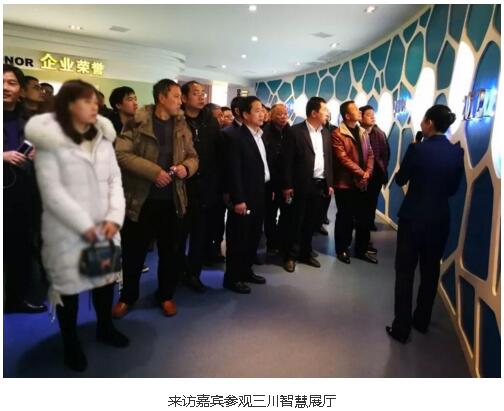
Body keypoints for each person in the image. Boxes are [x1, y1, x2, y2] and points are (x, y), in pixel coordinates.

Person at [25, 80, 129, 372]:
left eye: (96, 101)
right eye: (86, 101)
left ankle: (105, 327)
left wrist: (114, 216)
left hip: (103, 224)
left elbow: (114, 180)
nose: (94, 106)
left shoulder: (103, 139)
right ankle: (70, 341)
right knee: (68, 289)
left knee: (104, 281)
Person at [112, 79, 198, 318]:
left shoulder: (181, 125)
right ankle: (128, 297)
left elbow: (193, 156)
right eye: (176, 96)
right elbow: (121, 154)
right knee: (134, 253)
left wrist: (186, 168)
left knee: (170, 253)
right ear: (161, 98)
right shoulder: (137, 121)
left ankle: (165, 295)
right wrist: (155, 172)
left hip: (172, 200)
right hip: (141, 200)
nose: (180, 102)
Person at [386, 105, 464, 344]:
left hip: (413, 219)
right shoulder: (456, 152)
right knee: (430, 272)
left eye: (423, 119)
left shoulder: (417, 149)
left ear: (429, 122)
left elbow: (400, 180)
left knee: (405, 272)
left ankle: (401, 328)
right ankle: (421, 321)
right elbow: (453, 189)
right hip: (440, 219)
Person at [3, 64, 47, 314]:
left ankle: (16, 298)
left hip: (22, 190)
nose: (5, 88)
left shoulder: (29, 120)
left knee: (20, 246)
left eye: (11, 83)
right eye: (2, 82)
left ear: (20, 90)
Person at [282, 97, 334, 273]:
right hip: (300, 184)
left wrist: (329, 182)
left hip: (319, 185)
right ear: (313, 113)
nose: (327, 113)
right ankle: (290, 256)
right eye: (324, 110)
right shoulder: (295, 131)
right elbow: (286, 161)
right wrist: (287, 185)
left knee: (311, 222)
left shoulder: (325, 132)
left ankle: (306, 252)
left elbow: (328, 159)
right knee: (295, 221)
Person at [223, 96, 269, 294]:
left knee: (253, 236)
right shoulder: (235, 137)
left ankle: (246, 271)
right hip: (244, 196)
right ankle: (232, 278)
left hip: (260, 192)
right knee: (238, 238)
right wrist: (238, 199)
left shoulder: (260, 134)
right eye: (257, 110)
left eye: (262, 110)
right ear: (245, 114)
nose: (262, 113)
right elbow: (233, 171)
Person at [180, 81, 222, 292]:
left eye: (203, 93)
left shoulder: (210, 121)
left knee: (199, 235)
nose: (201, 96)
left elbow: (217, 153)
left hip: (205, 187)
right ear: (184, 98)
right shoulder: (177, 120)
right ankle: (176, 271)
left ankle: (194, 274)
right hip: (181, 186)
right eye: (195, 93)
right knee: (178, 235)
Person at [332, 100, 377, 265]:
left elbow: (370, 154)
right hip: (345, 184)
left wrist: (368, 173)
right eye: (356, 110)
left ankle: (362, 249)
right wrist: (362, 173)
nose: (359, 112)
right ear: (347, 115)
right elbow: (343, 158)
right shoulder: (337, 133)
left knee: (364, 218)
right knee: (345, 218)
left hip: (362, 182)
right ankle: (342, 249)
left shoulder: (363, 132)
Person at [261, 102, 291, 255]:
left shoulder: (291, 132)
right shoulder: (264, 132)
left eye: (285, 113)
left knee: (287, 213)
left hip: (287, 182)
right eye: (279, 114)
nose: (283, 117)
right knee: (270, 215)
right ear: (271, 116)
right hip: (270, 183)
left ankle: (282, 241)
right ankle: (272, 243)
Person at [359, 105, 390, 238]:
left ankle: (369, 223)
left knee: (372, 201)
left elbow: (386, 154)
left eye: (373, 114)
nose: (372, 117)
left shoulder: (380, 133)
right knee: (361, 204)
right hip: (361, 175)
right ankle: (360, 226)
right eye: (368, 115)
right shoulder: (357, 133)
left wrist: (383, 171)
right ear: (360, 117)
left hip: (376, 175)